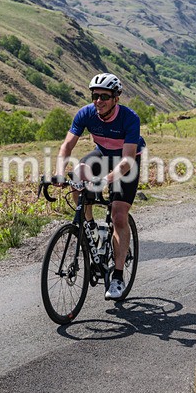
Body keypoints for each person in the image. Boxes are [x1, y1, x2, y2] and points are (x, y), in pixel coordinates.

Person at [54, 73, 146, 300]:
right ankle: (90, 227)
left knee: (118, 216)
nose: (98, 101)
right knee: (77, 175)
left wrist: (105, 180)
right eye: (95, 95)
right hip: (102, 155)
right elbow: (67, 146)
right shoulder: (86, 113)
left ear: (116, 97)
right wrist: (57, 173)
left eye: (104, 96)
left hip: (127, 162)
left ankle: (117, 276)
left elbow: (126, 161)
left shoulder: (129, 118)